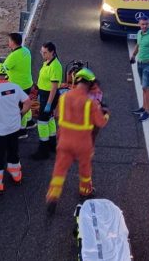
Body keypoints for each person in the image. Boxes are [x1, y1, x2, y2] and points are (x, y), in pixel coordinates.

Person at [45, 69, 109, 214]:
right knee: (85, 169)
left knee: (59, 170)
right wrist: (106, 114)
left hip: (64, 141)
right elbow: (100, 122)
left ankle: (53, 196)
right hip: (83, 143)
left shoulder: (64, 98)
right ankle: (85, 191)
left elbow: (57, 116)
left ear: (77, 81)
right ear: (89, 84)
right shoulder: (90, 103)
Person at [0, 63, 31, 194]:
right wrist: (21, 113)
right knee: (13, 151)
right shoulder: (15, 87)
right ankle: (16, 176)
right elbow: (28, 102)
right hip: (14, 128)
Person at [31, 42, 63, 160]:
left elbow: (54, 88)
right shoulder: (48, 62)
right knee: (49, 119)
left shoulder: (55, 66)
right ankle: (52, 144)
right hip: (45, 95)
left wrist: (49, 104)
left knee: (42, 123)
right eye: (41, 52)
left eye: (45, 52)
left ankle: (43, 150)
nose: (42, 54)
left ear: (52, 52)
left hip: (49, 96)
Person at [3, 32, 36, 139]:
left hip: (18, 86)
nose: (8, 42)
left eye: (9, 41)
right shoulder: (26, 51)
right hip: (27, 83)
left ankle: (22, 131)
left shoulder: (12, 56)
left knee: (19, 108)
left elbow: (3, 69)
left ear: (12, 42)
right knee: (26, 103)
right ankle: (30, 122)